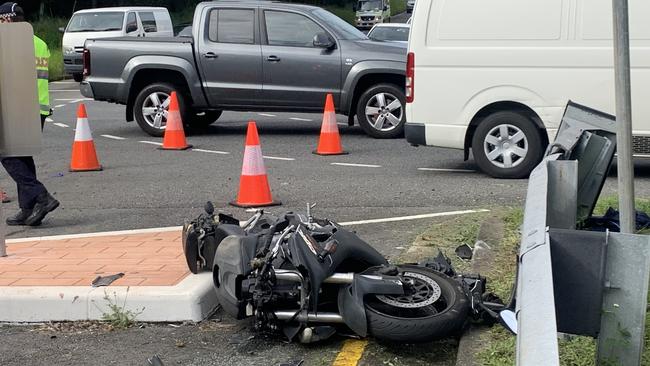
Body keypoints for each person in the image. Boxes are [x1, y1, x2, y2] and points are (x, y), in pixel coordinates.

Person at [0, 2, 59, 226]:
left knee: (7, 154)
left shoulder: (10, 43)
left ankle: (41, 196)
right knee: (23, 155)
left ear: (6, 19)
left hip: (18, 107)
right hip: (38, 107)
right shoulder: (39, 42)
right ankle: (28, 208)